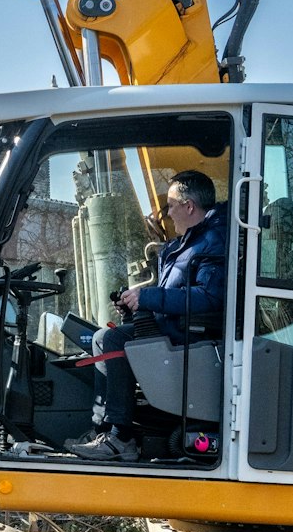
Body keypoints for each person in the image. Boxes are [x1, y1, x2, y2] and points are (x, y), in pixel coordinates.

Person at [70, 170, 229, 462]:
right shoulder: (188, 243)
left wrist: (148, 297)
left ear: (189, 206)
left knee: (113, 339)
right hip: (172, 324)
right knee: (101, 338)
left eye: (170, 205)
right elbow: (175, 292)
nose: (167, 213)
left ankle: (121, 437)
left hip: (190, 333)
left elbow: (209, 297)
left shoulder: (213, 241)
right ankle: (104, 429)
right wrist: (136, 304)